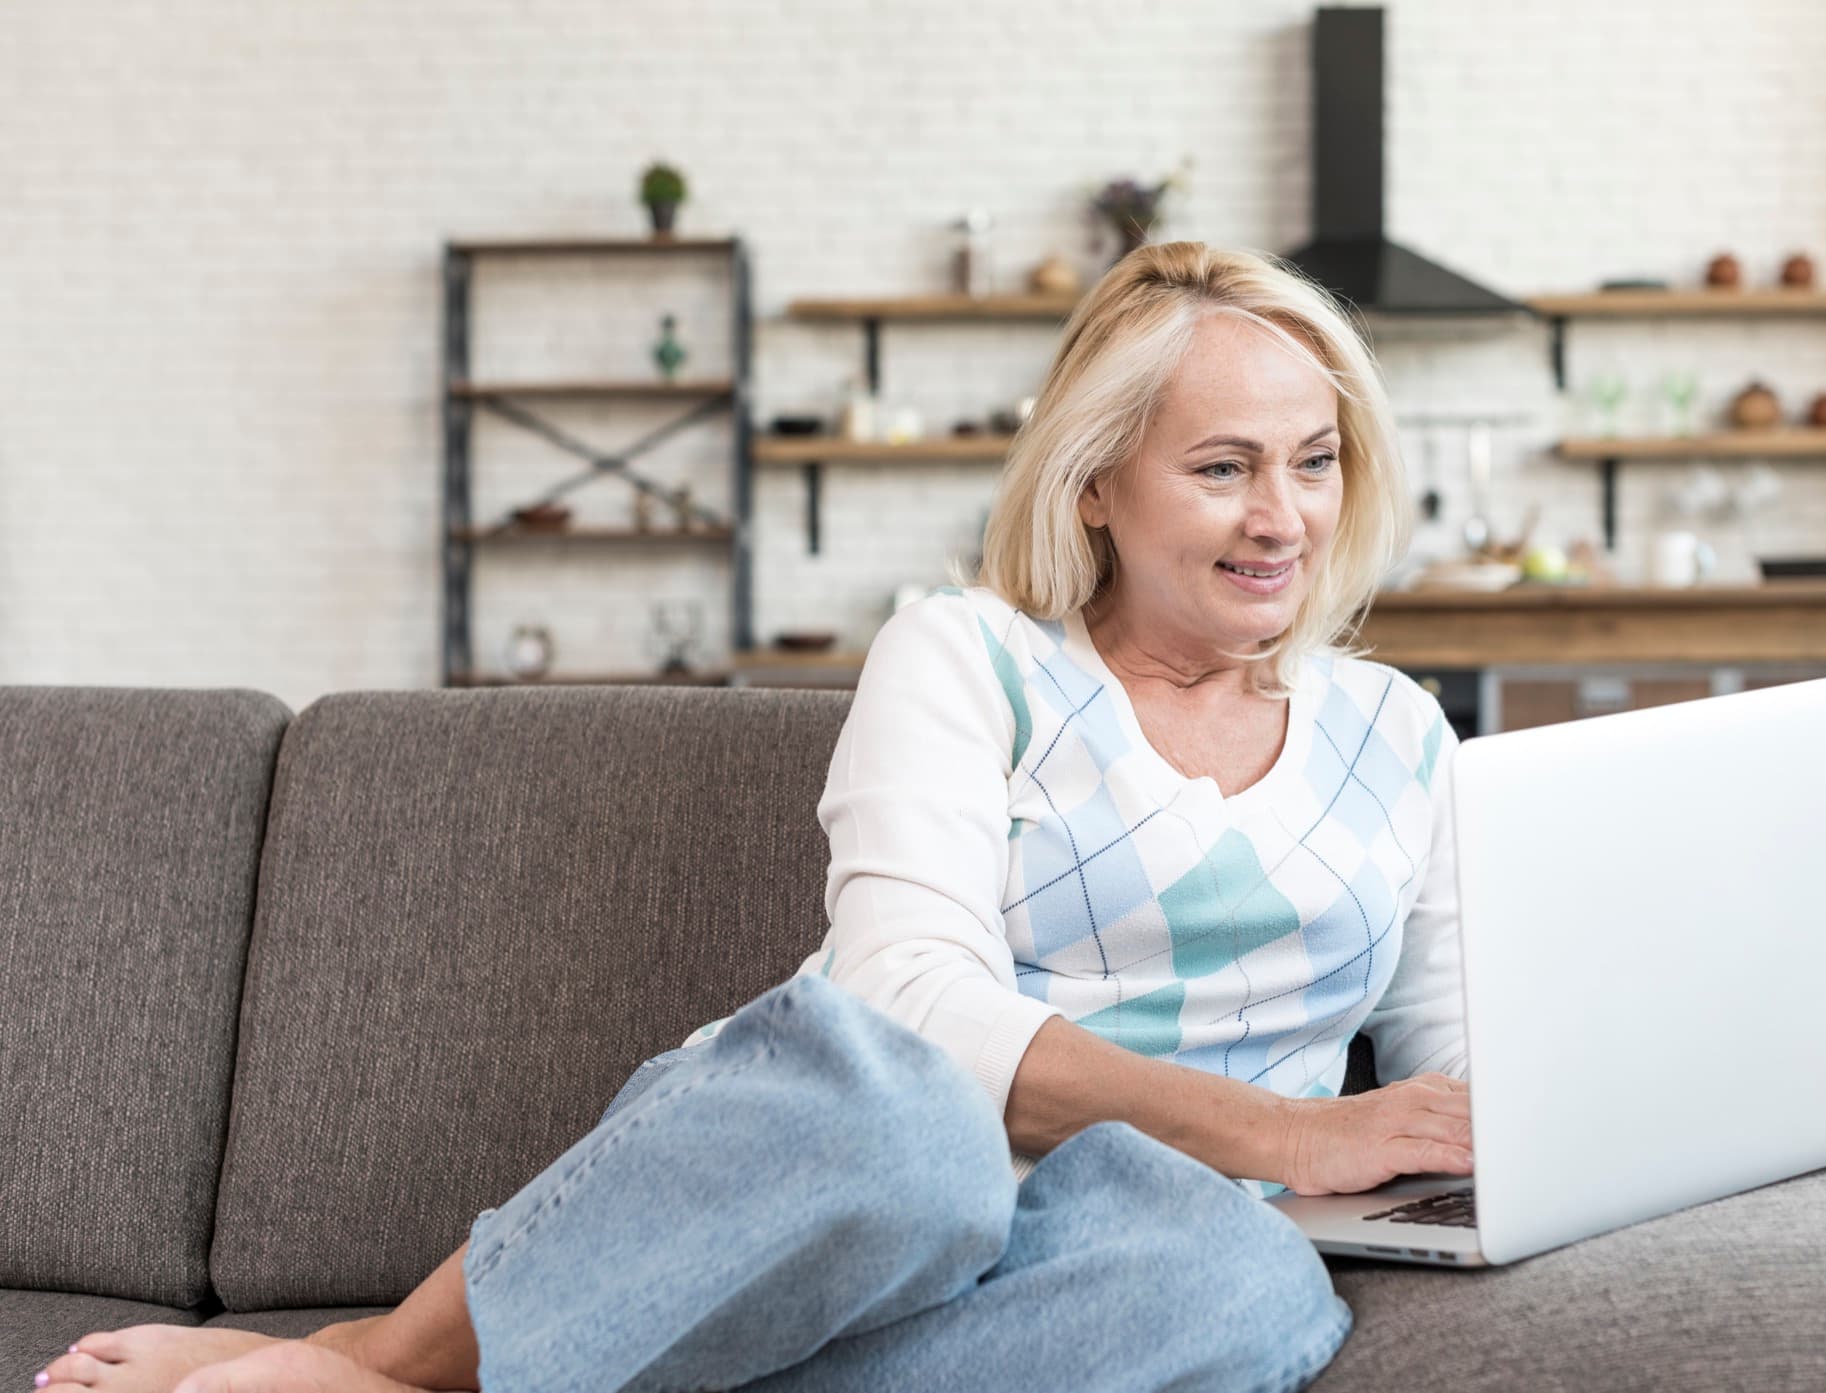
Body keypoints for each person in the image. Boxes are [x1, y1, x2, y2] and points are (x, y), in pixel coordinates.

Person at [36, 241, 1473, 1393]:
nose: (1280, 513)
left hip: (1129, 1242)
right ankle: (370, 1361)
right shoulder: (972, 656)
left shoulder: (1401, 733)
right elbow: (911, 1001)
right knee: (918, 1132)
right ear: (1096, 482)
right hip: (852, 1173)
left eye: (1314, 458)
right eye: (1223, 466)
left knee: (1253, 1294)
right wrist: (1290, 1131)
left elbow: (1463, 1064)